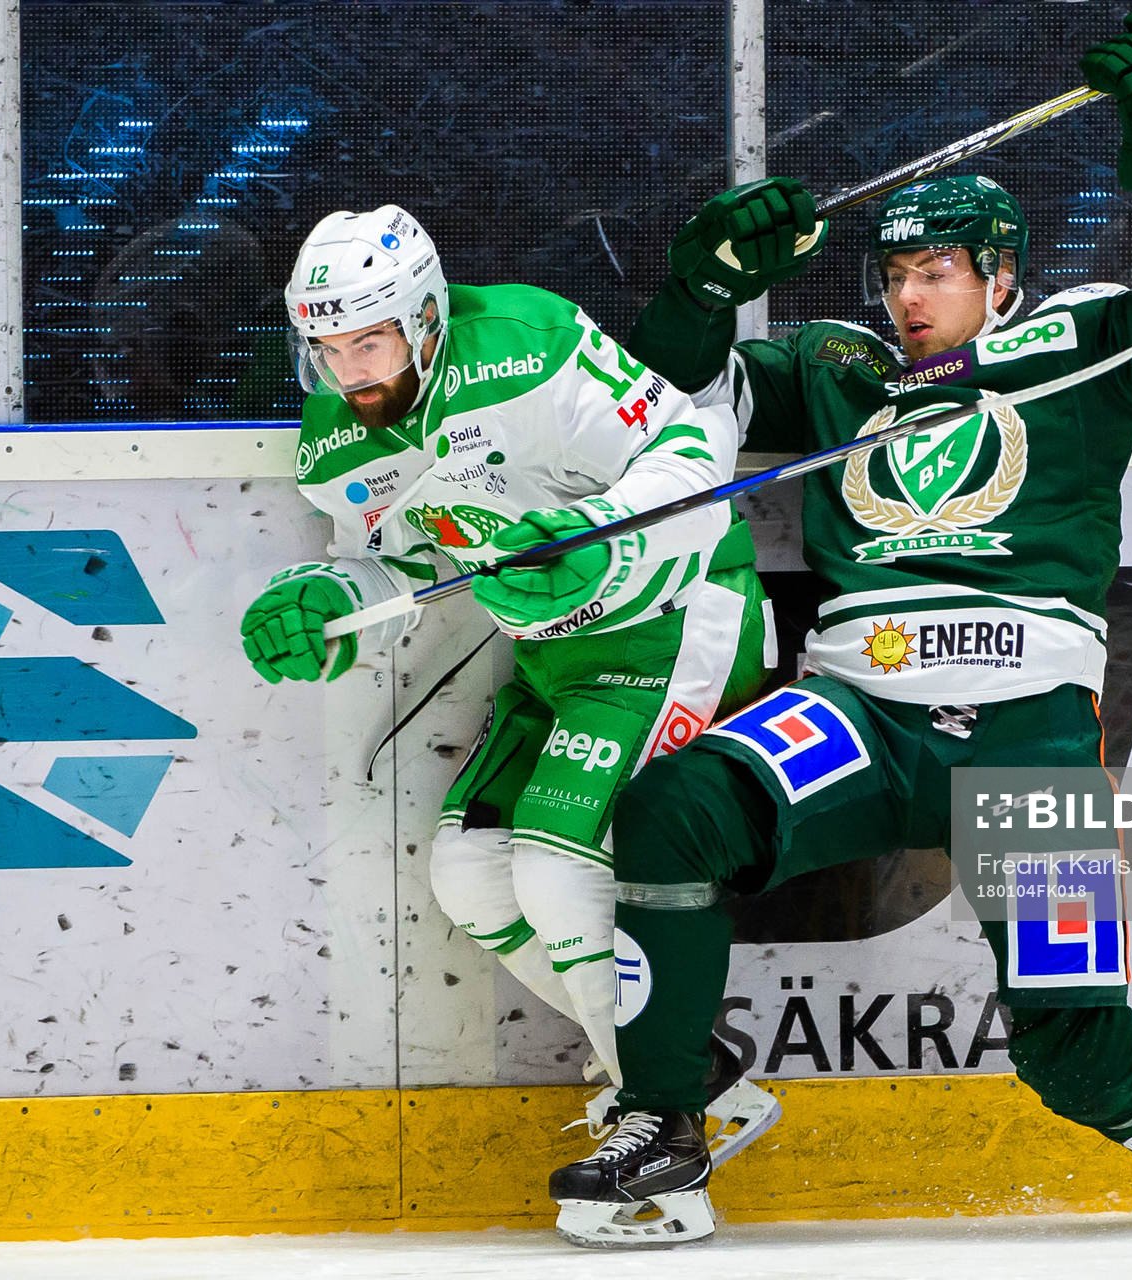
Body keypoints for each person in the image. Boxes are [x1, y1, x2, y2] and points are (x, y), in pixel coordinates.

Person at [548, 13, 1132, 1248]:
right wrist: (701, 284)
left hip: (1028, 739)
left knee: (1072, 1046)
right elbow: (658, 405)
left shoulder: (1081, 340)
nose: (910, 297)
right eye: (895, 277)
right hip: (856, 714)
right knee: (671, 811)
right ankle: (662, 1118)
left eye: (937, 273)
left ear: (1000, 272)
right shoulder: (834, 365)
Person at [238, 203, 780, 1161]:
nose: (350, 370)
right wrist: (327, 597)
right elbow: (396, 565)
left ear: (429, 318)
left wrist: (597, 539)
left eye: (371, 341)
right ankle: (681, 1073)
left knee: (557, 867)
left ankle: (663, 1116)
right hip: (554, 660)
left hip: (676, 615)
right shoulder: (335, 438)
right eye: (327, 347)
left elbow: (695, 450)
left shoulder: (530, 348)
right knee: (472, 876)